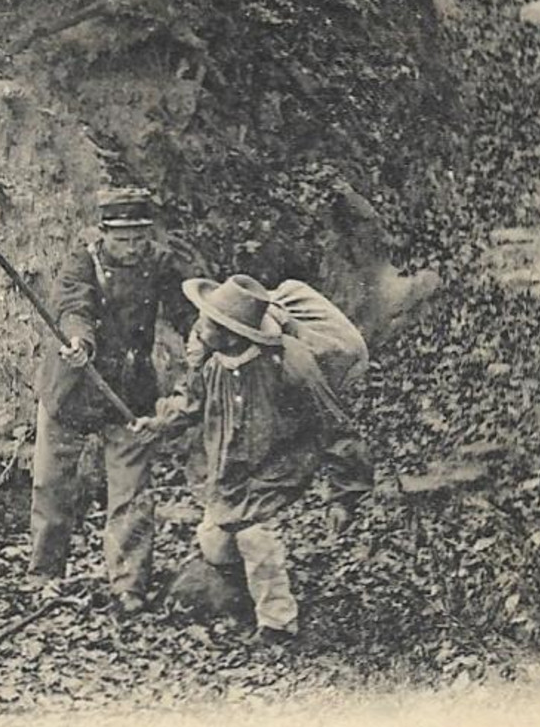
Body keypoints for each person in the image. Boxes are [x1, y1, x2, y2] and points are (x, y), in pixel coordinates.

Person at [134, 274, 374, 643]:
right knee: (214, 539)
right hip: (229, 468)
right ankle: (241, 594)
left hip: (278, 465)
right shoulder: (212, 363)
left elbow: (336, 428)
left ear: (232, 333)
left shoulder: (290, 365)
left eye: (210, 323)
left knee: (255, 537)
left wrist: (343, 496)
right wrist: (160, 422)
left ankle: (278, 623)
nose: (199, 328)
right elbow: (191, 403)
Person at [29, 186, 195, 612]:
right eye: (123, 239)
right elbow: (73, 305)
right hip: (74, 386)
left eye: (140, 237)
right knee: (52, 484)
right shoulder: (82, 261)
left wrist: (202, 342)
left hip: (129, 390)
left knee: (132, 490)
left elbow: (185, 313)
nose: (133, 247)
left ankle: (129, 585)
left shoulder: (160, 263)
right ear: (103, 234)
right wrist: (79, 340)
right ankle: (47, 575)